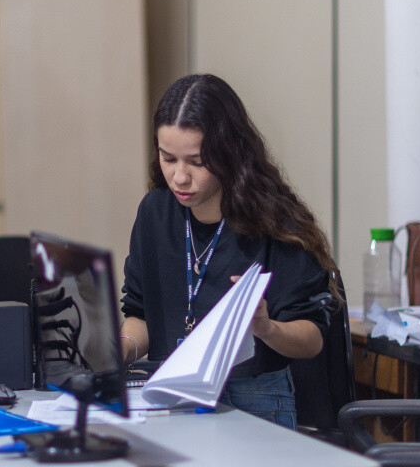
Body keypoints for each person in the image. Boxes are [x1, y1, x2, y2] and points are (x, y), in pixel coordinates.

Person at [119, 74, 338, 430]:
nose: (179, 177)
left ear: (229, 152)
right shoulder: (155, 213)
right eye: (168, 158)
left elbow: (312, 340)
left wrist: (266, 329)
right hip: (171, 394)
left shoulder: (276, 223)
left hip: (255, 397)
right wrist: (123, 348)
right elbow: (140, 313)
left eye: (197, 161)